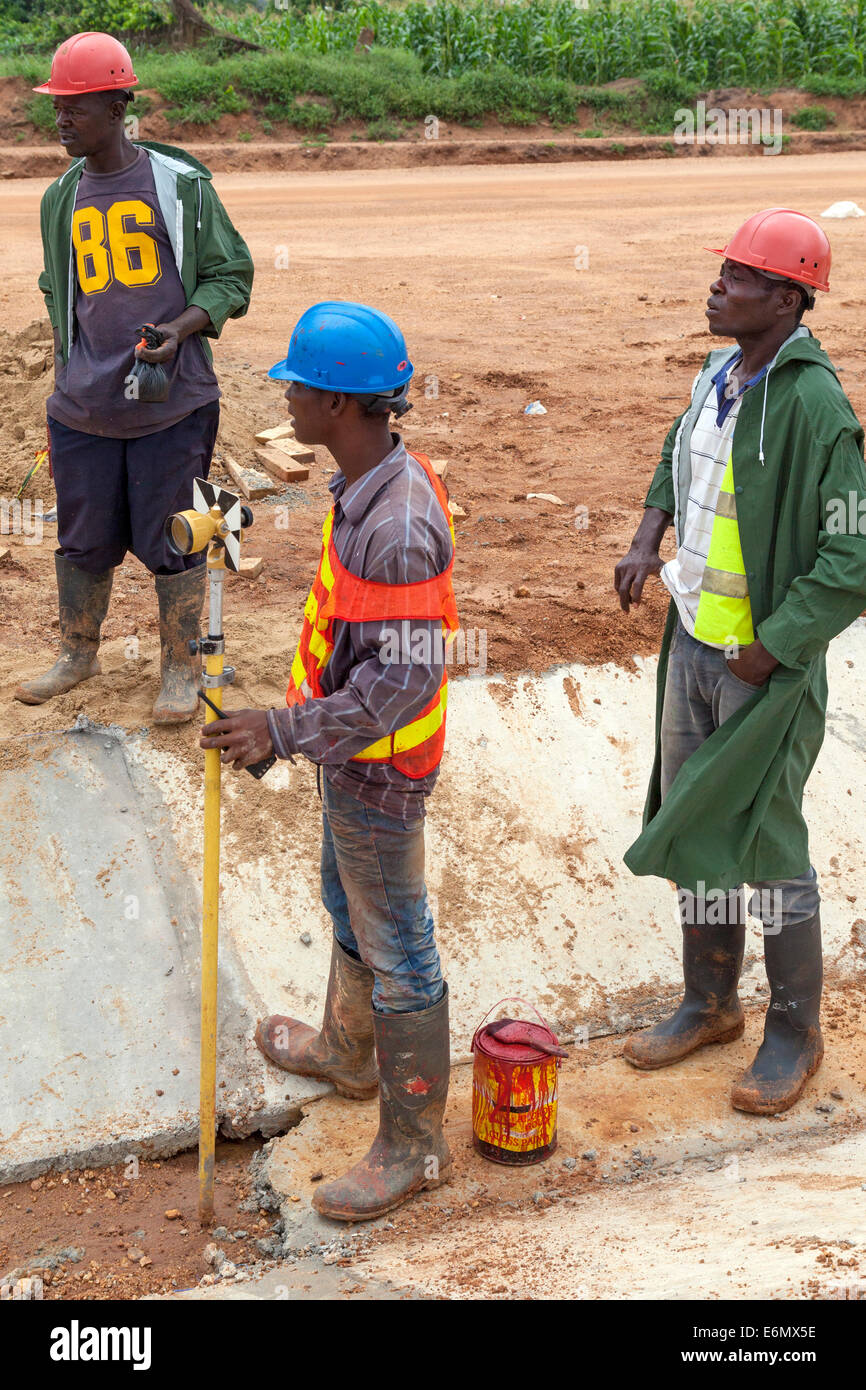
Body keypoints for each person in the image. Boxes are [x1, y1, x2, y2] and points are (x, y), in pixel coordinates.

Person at [199, 301, 459, 1220]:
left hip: (380, 771)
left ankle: (413, 1147)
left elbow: (406, 684)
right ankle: (349, 1054)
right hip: (349, 760)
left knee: (403, 951)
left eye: (297, 387)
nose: (288, 399)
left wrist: (284, 729)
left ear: (340, 404)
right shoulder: (362, 484)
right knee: (347, 901)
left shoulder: (395, 523)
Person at [614, 208, 866, 1114]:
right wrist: (649, 536)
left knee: (767, 842)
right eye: (723, 270)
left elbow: (854, 555)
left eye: (740, 277)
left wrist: (776, 645)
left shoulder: (813, 406)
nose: (718, 287)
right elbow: (675, 460)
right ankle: (710, 1002)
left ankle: (795, 1033)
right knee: (698, 824)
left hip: (763, 669)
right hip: (692, 644)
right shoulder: (718, 374)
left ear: (790, 298)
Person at [16, 31, 253, 722]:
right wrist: (69, 373)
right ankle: (78, 654)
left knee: (173, 534)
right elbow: (59, 290)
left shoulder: (180, 186)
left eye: (76, 106)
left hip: (170, 406)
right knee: (83, 537)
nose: (60, 120)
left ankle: (181, 667)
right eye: (56, 107)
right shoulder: (60, 197)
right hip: (83, 407)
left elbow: (229, 275)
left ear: (119, 104)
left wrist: (178, 333)